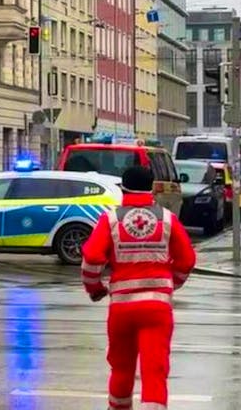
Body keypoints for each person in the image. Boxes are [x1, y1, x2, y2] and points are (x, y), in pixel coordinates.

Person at [81, 166, 196, 410]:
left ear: (123, 189)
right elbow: (187, 260)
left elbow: (91, 258)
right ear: (152, 188)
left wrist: (95, 289)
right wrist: (169, 285)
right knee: (154, 371)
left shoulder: (110, 220)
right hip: (157, 309)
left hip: (122, 309)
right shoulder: (167, 219)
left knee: (121, 369)